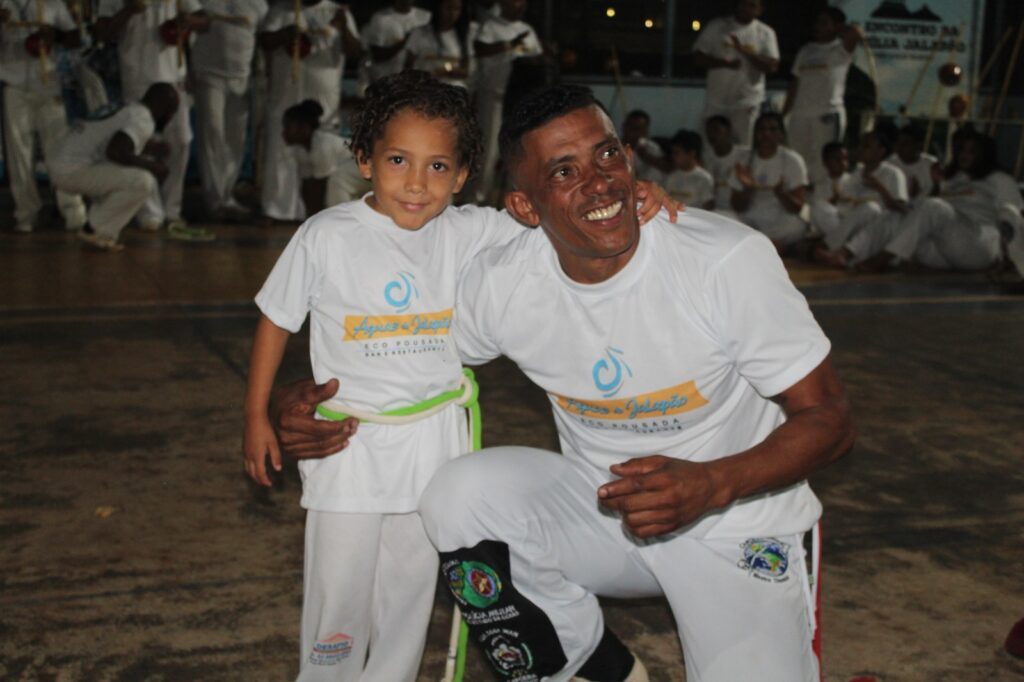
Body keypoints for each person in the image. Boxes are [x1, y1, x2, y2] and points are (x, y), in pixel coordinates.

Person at [269, 84, 854, 682]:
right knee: (457, 498)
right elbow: (398, 352)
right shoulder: (505, 283)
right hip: (604, 515)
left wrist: (712, 482)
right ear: (525, 207)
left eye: (607, 155)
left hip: (737, 523)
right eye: (564, 172)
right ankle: (590, 666)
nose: (599, 183)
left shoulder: (724, 260)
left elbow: (831, 419)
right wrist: (304, 397)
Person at [244, 71, 674, 682]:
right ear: (365, 160)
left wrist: (637, 194)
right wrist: (256, 416)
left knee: (410, 596)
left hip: (434, 445)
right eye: (398, 160)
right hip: (349, 448)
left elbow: (558, 212)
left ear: (463, 175)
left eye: (438, 166)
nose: (417, 183)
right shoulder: (326, 236)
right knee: (338, 598)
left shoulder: (470, 229)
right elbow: (275, 319)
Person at [94, 0, 213, 241]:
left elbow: (205, 21)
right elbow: (103, 33)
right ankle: (149, 212)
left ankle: (172, 209)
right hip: (138, 77)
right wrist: (129, 9)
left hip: (174, 76)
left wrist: (188, 21)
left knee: (181, 141)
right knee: (141, 145)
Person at [848, 130, 1024, 275]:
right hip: (945, 252)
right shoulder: (952, 179)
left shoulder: (999, 179)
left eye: (971, 151)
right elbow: (920, 211)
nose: (964, 155)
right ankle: (851, 255)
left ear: (984, 155)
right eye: (961, 150)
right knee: (894, 217)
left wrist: (1007, 256)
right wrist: (935, 186)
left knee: (933, 206)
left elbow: (1013, 216)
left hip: (979, 244)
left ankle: (882, 259)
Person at [258, 0, 360, 222]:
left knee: (321, 158)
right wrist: (285, 34)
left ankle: (320, 216)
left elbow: (355, 52)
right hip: (286, 96)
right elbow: (264, 41)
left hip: (323, 99)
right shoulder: (281, 10)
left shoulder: (336, 11)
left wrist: (343, 27)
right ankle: (277, 211)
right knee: (280, 154)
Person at [48, 82, 179, 251]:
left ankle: (97, 227)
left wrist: (151, 148)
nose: (170, 118)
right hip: (71, 170)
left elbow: (116, 142)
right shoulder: (143, 119)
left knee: (125, 175)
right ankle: (96, 230)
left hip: (61, 161)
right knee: (143, 181)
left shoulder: (130, 107)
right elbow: (116, 151)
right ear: (163, 108)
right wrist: (153, 167)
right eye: (171, 112)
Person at [0, 0, 87, 234]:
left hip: (49, 84)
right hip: (14, 84)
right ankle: (26, 213)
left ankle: (73, 211)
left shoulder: (52, 3)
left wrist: (55, 35)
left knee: (59, 151)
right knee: (19, 155)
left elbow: (75, 39)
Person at [190, 0, 268, 221]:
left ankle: (227, 195)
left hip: (241, 78)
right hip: (209, 74)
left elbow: (262, 40)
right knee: (213, 133)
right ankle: (215, 201)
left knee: (236, 140)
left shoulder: (258, 4)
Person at [467, 0, 541, 204]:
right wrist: (508, 45)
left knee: (519, 152)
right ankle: (476, 199)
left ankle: (512, 201)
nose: (521, 5)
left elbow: (537, 61)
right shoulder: (490, 27)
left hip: (520, 101)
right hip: (494, 98)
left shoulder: (527, 30)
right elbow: (479, 49)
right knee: (489, 153)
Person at [783, 7, 861, 185]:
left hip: (826, 113)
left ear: (837, 26)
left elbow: (856, 33)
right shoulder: (806, 50)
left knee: (823, 162)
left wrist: (840, 29)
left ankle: (823, 196)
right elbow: (795, 83)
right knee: (797, 159)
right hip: (800, 114)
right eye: (817, 22)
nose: (818, 26)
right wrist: (784, 114)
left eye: (824, 23)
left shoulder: (841, 49)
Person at [812, 128, 907, 261]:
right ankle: (838, 250)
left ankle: (827, 247)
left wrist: (879, 187)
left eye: (866, 146)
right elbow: (845, 208)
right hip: (851, 225)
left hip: (878, 229)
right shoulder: (856, 174)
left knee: (870, 208)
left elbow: (902, 209)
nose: (860, 149)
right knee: (820, 206)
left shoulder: (893, 173)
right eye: (860, 145)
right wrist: (841, 200)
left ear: (881, 151)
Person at [693, 0, 778, 146]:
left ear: (760, 9)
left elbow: (772, 67)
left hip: (747, 102)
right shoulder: (717, 26)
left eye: (752, 5)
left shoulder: (765, 33)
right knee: (711, 146)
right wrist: (724, 64)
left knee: (743, 147)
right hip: (716, 101)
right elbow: (698, 58)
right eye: (744, 4)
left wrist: (746, 52)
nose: (746, 8)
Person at [730, 111, 808, 249]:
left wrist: (781, 194)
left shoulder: (793, 160)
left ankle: (758, 245)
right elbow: (736, 206)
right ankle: (769, 245)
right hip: (749, 220)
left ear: (781, 134)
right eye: (761, 129)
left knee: (798, 226)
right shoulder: (743, 159)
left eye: (772, 129)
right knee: (724, 216)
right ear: (755, 133)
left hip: (779, 220)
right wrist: (748, 189)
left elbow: (797, 208)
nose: (766, 134)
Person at [281, 99, 368, 214]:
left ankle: (339, 220)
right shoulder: (300, 151)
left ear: (304, 128)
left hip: (366, 166)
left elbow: (321, 186)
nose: (283, 132)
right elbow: (307, 187)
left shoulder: (323, 144)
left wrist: (318, 216)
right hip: (352, 176)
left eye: (288, 127)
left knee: (336, 182)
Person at [404, 0, 475, 90]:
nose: (452, 13)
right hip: (423, 89)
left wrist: (447, 72)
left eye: (457, 9)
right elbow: (408, 65)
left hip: (452, 89)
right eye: (448, 8)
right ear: (438, 8)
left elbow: (466, 71)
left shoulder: (463, 37)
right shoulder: (419, 33)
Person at [361, 0, 431, 84]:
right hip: (387, 82)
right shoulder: (380, 18)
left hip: (417, 84)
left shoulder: (426, 17)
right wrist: (406, 41)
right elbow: (377, 55)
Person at [704, 114, 749, 215]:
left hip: (738, 212)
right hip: (713, 211)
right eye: (708, 131)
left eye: (716, 130)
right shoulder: (706, 158)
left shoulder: (745, 155)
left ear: (728, 131)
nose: (712, 135)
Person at [664, 129, 714, 210]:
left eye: (677, 153)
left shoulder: (704, 178)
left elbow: (707, 207)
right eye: (672, 152)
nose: (673, 156)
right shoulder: (671, 176)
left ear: (691, 153)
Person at [888, 122, 937, 204]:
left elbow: (936, 194)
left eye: (905, 143)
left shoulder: (931, 164)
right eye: (898, 142)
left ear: (918, 145)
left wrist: (917, 195)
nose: (900, 147)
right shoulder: (889, 163)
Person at [620, 109, 669, 183]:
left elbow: (667, 168)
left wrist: (646, 156)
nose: (633, 132)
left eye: (638, 129)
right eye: (631, 127)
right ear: (624, 127)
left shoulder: (651, 147)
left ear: (645, 131)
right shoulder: (613, 147)